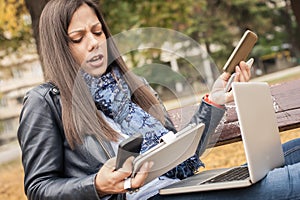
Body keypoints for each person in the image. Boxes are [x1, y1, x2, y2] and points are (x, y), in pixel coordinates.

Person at [17, 0, 299, 199]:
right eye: (77, 38)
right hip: (147, 198)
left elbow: (181, 153)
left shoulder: (133, 87)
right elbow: (39, 188)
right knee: (288, 182)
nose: (93, 43)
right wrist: (97, 185)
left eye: (97, 31)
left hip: (179, 185)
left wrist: (214, 101)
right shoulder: (45, 102)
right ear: (59, 47)